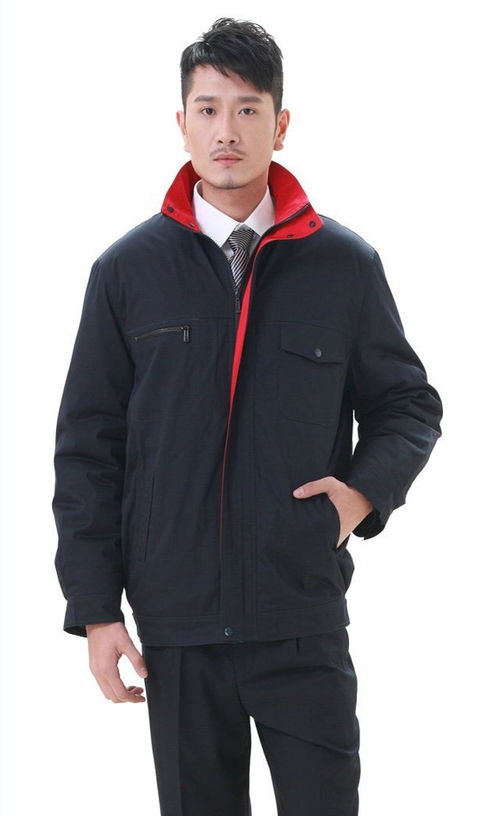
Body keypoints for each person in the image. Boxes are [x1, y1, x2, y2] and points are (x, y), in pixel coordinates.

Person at [52, 16, 444, 816]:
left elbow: (407, 404)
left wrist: (359, 497)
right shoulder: (127, 271)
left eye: (246, 109)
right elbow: (88, 448)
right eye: (207, 109)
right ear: (182, 122)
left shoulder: (342, 265)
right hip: (177, 624)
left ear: (280, 123)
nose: (225, 131)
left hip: (298, 612)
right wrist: (95, 609)